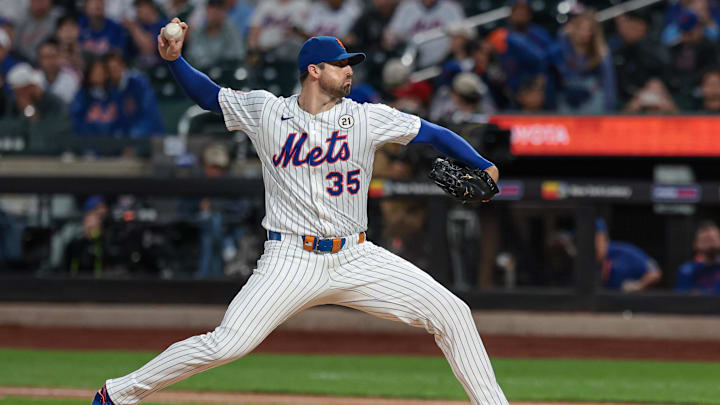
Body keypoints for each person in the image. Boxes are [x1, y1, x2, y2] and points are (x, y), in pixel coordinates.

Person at [91, 18, 508, 405]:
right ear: (313, 70)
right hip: (291, 259)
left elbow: (432, 133)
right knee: (226, 344)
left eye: (351, 64)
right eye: (340, 65)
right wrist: (175, 60)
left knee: (453, 313)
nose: (349, 71)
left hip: (356, 255)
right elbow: (208, 96)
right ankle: (117, 394)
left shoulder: (366, 117)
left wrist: (482, 165)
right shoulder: (267, 111)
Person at [105, 50, 165, 137]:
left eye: (115, 68)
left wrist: (132, 139)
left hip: (150, 133)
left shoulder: (139, 82)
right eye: (109, 70)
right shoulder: (112, 88)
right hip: (127, 134)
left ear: (123, 66)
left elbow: (149, 114)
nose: (112, 73)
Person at [596, 218, 662, 293]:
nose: (597, 246)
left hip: (631, 300)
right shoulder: (584, 262)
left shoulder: (623, 251)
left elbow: (655, 273)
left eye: (599, 239)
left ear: (605, 239)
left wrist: (639, 284)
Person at [675, 220, 720, 294]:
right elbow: (682, 299)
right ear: (695, 244)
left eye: (713, 239)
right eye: (706, 240)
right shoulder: (686, 270)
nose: (710, 245)